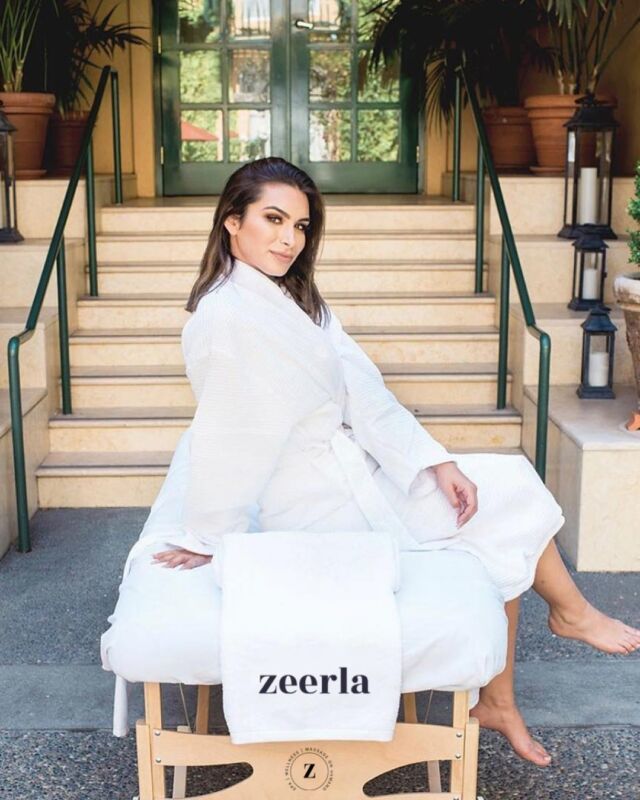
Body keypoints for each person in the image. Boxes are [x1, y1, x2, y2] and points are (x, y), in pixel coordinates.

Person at [147, 156, 640, 767]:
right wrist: (207, 536)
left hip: (346, 476)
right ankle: (561, 624)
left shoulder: (289, 297)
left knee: (499, 489)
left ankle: (507, 690)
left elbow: (364, 389)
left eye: (300, 225)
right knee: (503, 502)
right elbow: (229, 435)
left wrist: (434, 461)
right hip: (308, 509)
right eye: (273, 219)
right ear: (231, 221)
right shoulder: (227, 316)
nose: (289, 239)